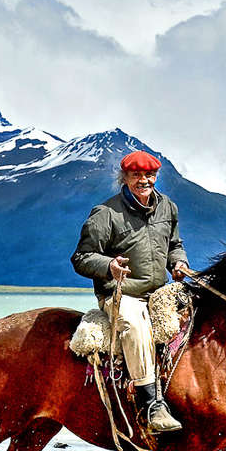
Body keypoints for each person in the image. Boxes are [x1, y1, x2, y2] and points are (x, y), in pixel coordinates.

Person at [71, 150, 190, 432]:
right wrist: (109, 265)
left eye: (149, 175)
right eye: (136, 175)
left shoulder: (167, 208)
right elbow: (81, 257)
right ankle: (152, 404)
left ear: (156, 176)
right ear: (124, 178)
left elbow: (174, 243)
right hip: (120, 293)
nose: (144, 180)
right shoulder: (106, 213)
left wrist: (179, 261)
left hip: (158, 290)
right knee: (135, 326)